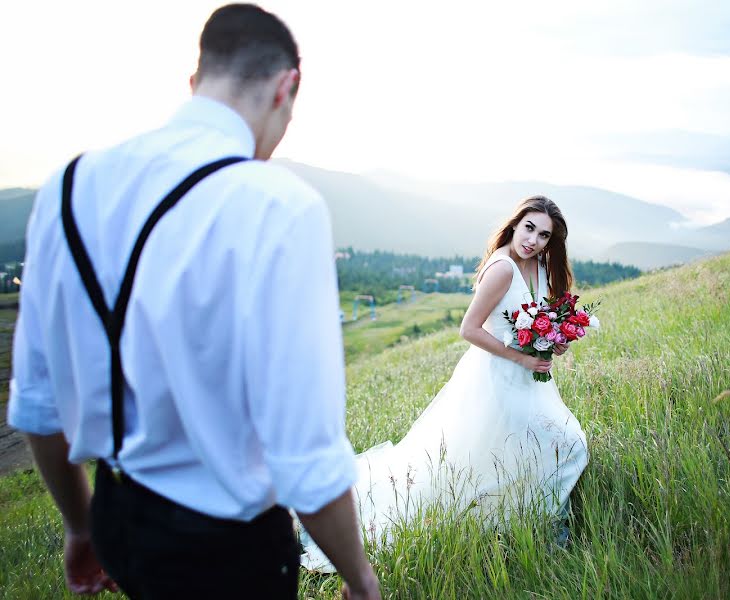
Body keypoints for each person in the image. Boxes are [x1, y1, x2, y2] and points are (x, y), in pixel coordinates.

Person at [7, 4, 380, 599]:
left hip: (118, 515)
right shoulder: (281, 207)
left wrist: (81, 526)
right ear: (289, 87)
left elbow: (36, 402)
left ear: (196, 81)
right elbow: (304, 453)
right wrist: (359, 580)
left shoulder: (68, 186)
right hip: (226, 549)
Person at [300, 195, 589, 571]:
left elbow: (533, 318)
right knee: (559, 443)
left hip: (527, 376)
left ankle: (532, 518)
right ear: (515, 224)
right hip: (496, 376)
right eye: (529, 228)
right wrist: (521, 356)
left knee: (549, 444)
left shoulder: (534, 265)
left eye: (543, 235)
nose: (532, 240)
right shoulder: (502, 268)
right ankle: (538, 527)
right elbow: (468, 329)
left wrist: (552, 339)